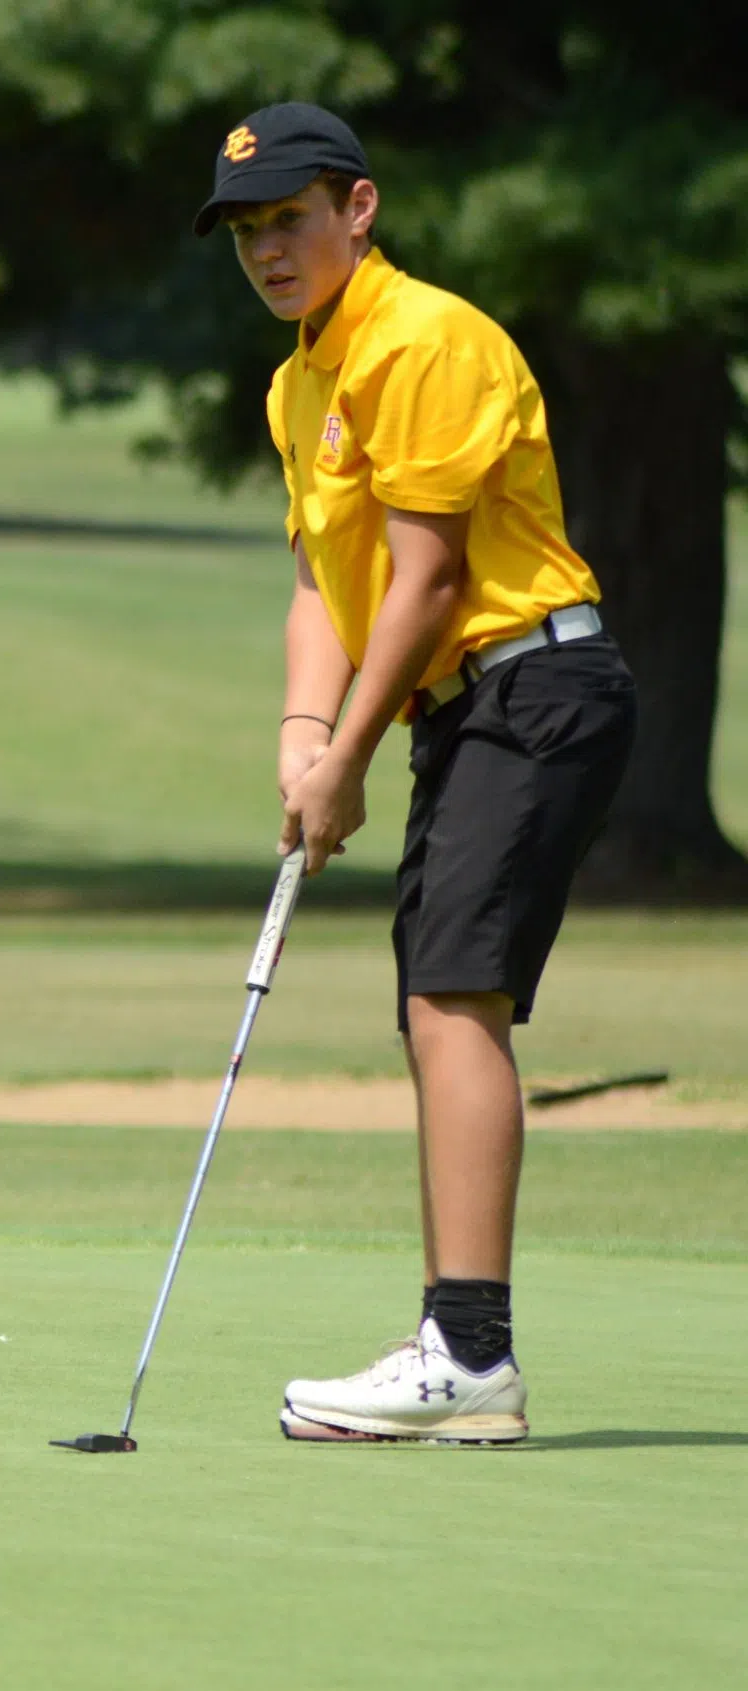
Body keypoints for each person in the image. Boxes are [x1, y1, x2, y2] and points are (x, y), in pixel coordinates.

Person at [197, 103, 637, 1443]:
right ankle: (464, 1352)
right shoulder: (301, 382)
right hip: (471, 703)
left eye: (291, 218)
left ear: (358, 209)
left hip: (535, 682)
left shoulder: (426, 337)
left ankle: (469, 1352)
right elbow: (329, 587)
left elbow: (434, 573)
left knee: (453, 990)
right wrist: (301, 732)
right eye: (246, 233)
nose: (269, 250)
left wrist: (354, 756)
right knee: (440, 996)